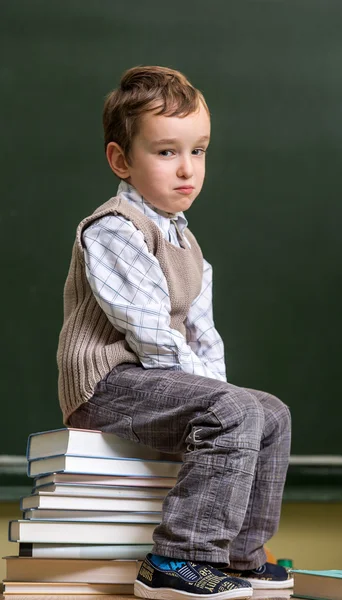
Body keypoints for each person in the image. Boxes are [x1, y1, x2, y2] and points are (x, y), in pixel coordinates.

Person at [57, 65, 292, 600]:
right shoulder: (114, 227)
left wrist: (226, 395)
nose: (187, 169)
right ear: (121, 160)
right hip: (109, 384)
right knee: (233, 409)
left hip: (159, 382)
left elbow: (204, 337)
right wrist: (221, 402)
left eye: (199, 151)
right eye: (166, 152)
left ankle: (238, 554)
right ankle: (178, 558)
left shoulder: (189, 246)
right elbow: (148, 333)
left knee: (269, 413)